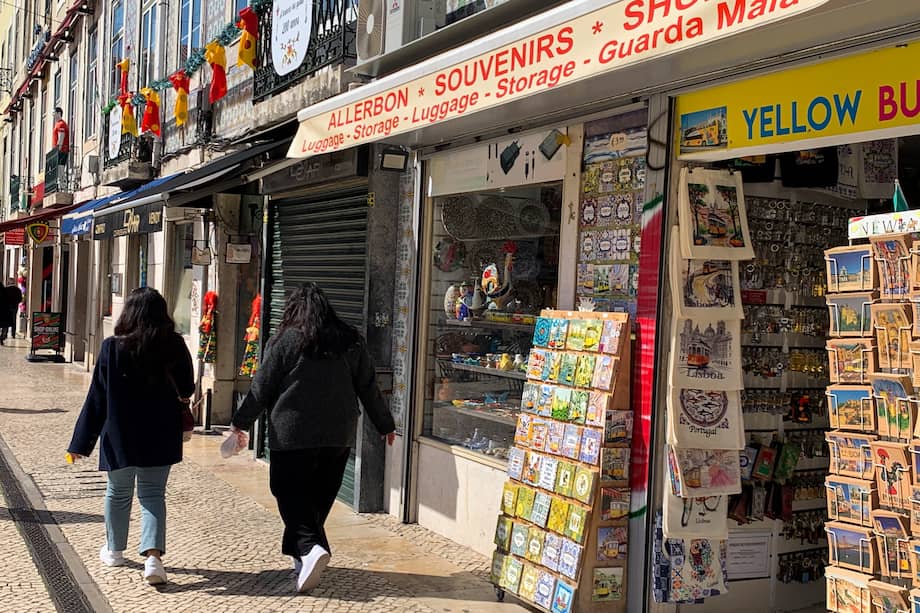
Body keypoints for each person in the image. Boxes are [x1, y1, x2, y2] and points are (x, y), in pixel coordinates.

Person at [230, 282, 396, 593]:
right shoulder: (351, 340)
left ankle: (310, 550)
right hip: (339, 433)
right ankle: (303, 557)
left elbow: (261, 387)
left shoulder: (286, 340)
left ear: (293, 310)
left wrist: (240, 422)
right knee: (317, 499)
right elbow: (368, 387)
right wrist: (385, 424)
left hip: (293, 433)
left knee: (287, 491)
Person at [67, 287, 194, 585]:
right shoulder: (174, 345)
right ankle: (153, 559)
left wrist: (80, 443)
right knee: (152, 494)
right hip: (161, 434)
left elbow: (96, 398)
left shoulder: (112, 347)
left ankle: (114, 551)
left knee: (117, 493)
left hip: (120, 436)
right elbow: (187, 388)